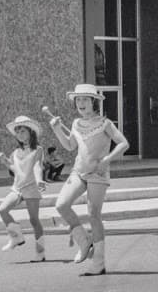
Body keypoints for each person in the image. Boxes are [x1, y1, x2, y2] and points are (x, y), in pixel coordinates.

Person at [49, 84, 129, 276]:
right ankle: (84, 242)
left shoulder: (105, 123)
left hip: (98, 174)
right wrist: (57, 129)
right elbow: (69, 146)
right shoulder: (76, 123)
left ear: (93, 102)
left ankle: (99, 263)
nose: (81, 103)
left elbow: (124, 143)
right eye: (78, 100)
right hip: (79, 172)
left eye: (85, 99)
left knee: (93, 215)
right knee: (61, 205)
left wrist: (107, 160)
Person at [0, 115, 47, 261]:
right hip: (17, 188)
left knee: (34, 220)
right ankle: (17, 237)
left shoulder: (38, 150)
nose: (20, 134)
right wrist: (5, 161)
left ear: (30, 132)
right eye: (18, 132)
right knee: (2, 209)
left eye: (22, 131)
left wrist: (40, 180)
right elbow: (15, 169)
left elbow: (37, 166)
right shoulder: (15, 153)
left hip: (31, 187)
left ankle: (40, 253)